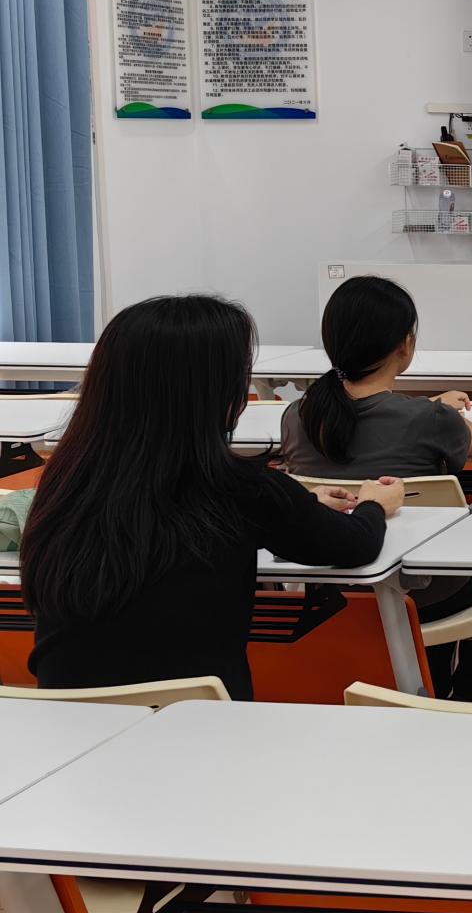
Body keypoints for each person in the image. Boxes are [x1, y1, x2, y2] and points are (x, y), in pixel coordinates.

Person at [22, 295, 402, 700]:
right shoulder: (241, 488)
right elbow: (355, 544)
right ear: (220, 395)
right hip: (203, 726)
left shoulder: (66, 481)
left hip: (64, 722)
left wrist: (304, 502)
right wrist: (373, 504)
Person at [281, 275, 472, 480]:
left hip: (324, 503)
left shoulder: (297, 416)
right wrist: (436, 408)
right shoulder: (435, 419)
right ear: (405, 344)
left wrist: (428, 406)